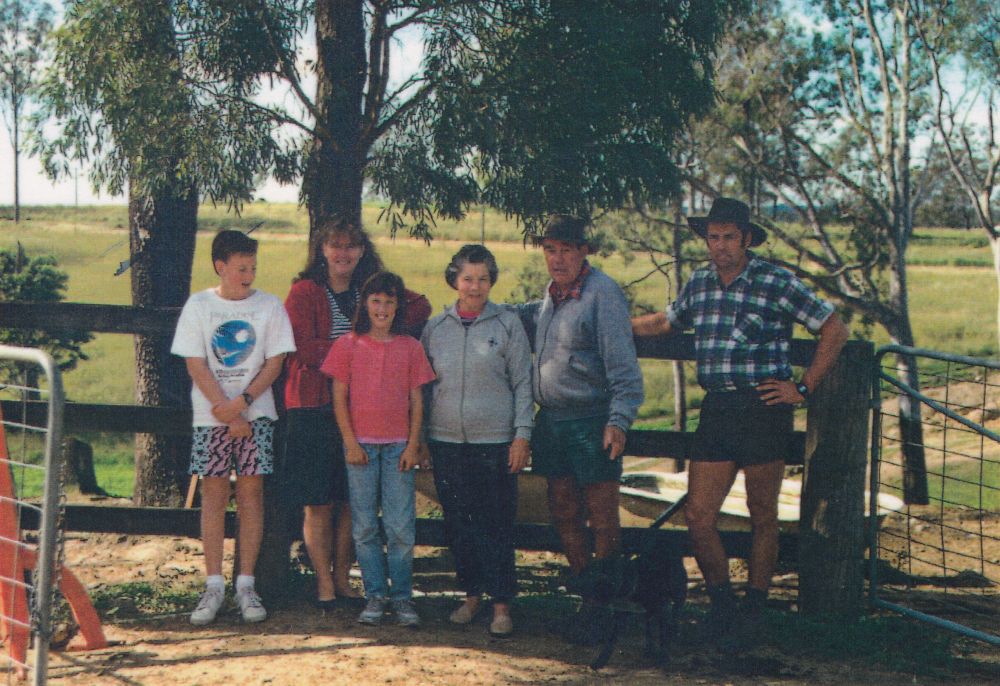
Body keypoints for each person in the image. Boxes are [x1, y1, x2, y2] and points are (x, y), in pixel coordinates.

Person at [632, 197, 849, 649]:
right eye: (714, 237)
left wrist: (804, 387)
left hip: (764, 409)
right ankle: (722, 605)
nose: (721, 246)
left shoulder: (775, 281)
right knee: (698, 515)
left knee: (763, 515)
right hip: (718, 409)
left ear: (747, 238)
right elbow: (663, 323)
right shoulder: (699, 283)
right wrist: (610, 321)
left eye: (730, 236)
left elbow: (834, 328)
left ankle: (755, 608)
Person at [283, 218, 430, 608]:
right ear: (323, 251)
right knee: (318, 500)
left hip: (359, 411)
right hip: (313, 406)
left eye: (351, 247)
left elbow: (419, 304)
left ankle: (343, 578)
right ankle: (323, 585)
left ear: (362, 252)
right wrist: (357, 354)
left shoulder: (369, 293)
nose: (343, 254)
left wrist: (385, 329)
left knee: (352, 500)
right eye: (335, 246)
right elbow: (301, 345)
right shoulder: (304, 291)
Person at [510, 214, 644, 642]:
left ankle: (608, 607)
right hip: (551, 420)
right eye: (550, 249)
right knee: (564, 509)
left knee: (603, 517)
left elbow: (624, 366)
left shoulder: (602, 294)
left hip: (591, 420)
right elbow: (524, 317)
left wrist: (618, 420)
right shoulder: (552, 296)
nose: (557, 258)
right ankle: (590, 598)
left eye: (566, 249)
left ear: (584, 250)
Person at [171, 230, 296, 625]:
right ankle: (212, 585)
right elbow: (195, 363)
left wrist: (242, 406)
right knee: (212, 494)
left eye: (253, 268)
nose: (248, 275)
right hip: (212, 416)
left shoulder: (270, 306)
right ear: (220, 266)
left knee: (251, 494)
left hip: (255, 416)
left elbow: (274, 364)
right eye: (241, 268)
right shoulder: (199, 306)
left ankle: (246, 584)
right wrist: (224, 411)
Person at [421, 244, 533, 637]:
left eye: (483, 278)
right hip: (446, 441)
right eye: (468, 278)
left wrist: (521, 436)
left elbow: (523, 382)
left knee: (497, 523)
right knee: (459, 524)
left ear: (492, 281)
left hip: (496, 441)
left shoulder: (507, 324)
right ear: (455, 279)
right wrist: (420, 439)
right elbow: (421, 389)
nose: (475, 286)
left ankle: (502, 604)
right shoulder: (435, 328)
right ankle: (472, 596)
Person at [322, 271, 436, 628]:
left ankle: (402, 597)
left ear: (398, 305)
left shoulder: (410, 347)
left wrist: (414, 445)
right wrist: (350, 442)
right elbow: (338, 398)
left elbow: (417, 402)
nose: (382, 309)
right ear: (364, 304)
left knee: (401, 526)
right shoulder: (348, 345)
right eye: (375, 301)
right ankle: (375, 595)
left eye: (389, 302)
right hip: (361, 449)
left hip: (399, 447)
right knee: (365, 526)